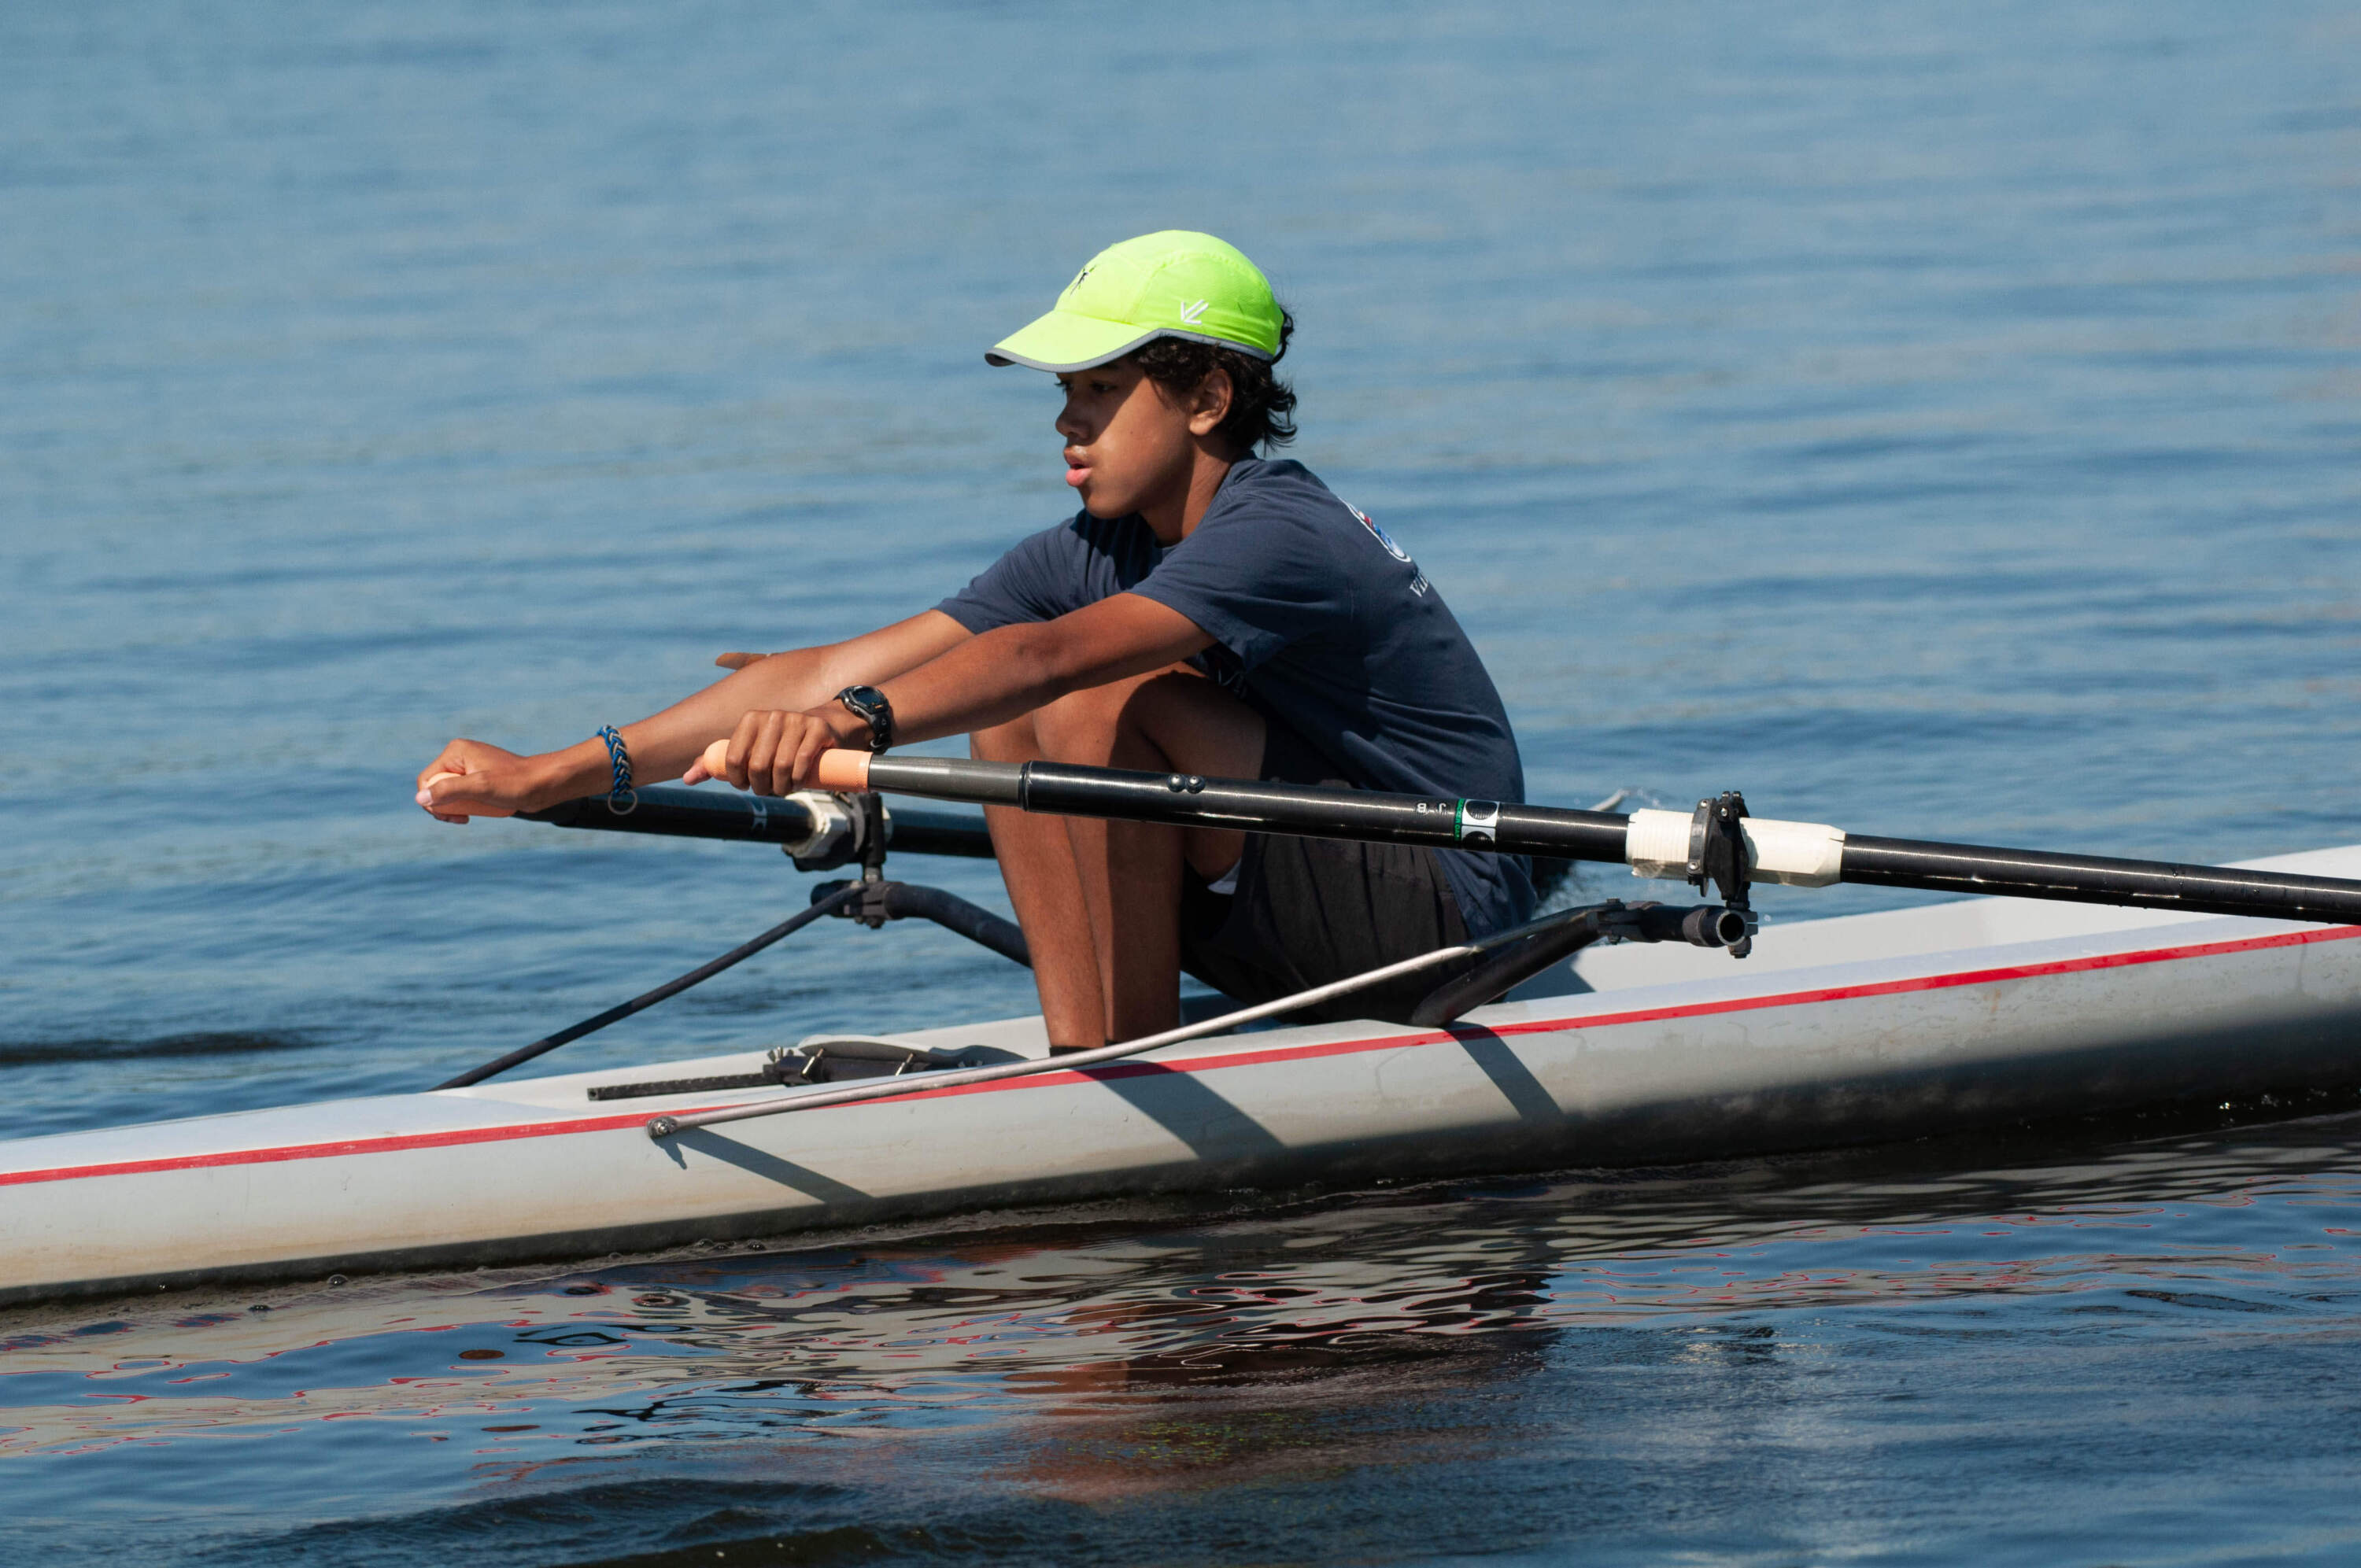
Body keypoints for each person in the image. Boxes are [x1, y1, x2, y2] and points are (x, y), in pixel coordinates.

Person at [416, 231, 1532, 1050]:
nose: (1066, 422)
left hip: (1447, 909)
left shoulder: (1278, 527)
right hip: (1303, 885)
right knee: (1002, 698)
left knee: (1096, 695)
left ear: (1209, 398)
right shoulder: (1093, 548)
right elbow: (823, 670)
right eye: (1064, 392)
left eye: (1102, 389)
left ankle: (1130, 1076)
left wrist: (844, 726)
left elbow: (1043, 661)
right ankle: (1089, 1057)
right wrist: (555, 773)